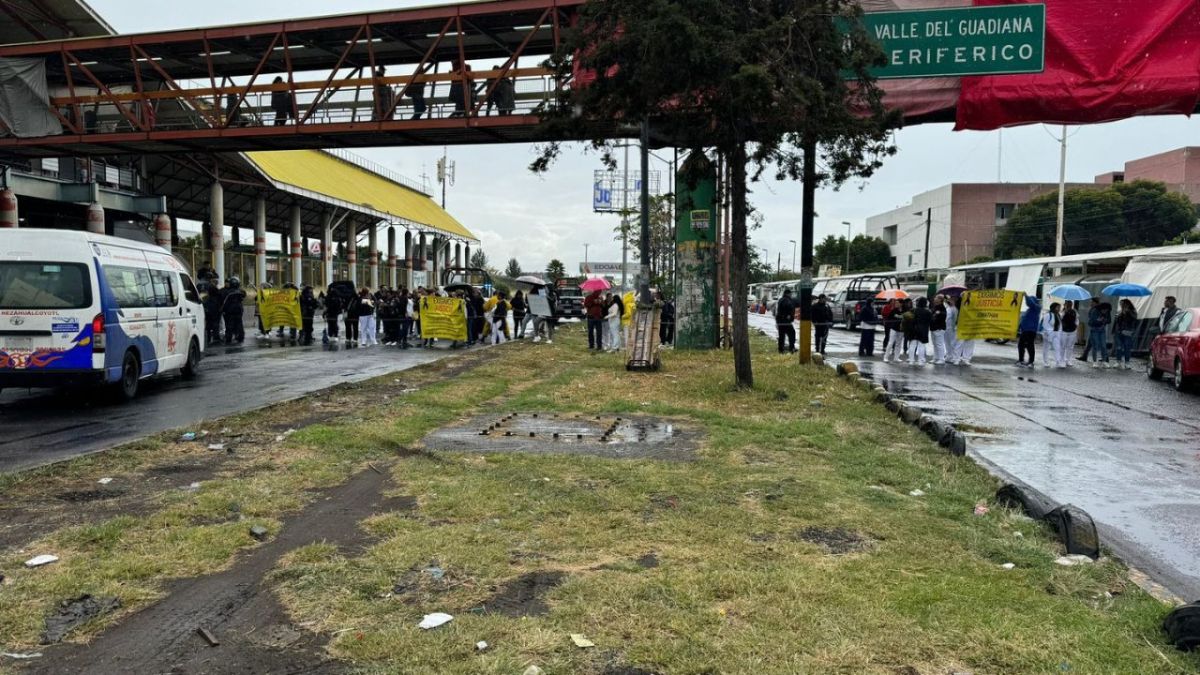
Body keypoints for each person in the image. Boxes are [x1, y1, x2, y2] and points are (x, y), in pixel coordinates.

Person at [1016, 295, 1041, 368]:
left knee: (1030, 345)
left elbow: (1031, 303)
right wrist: (1019, 326)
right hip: (1025, 330)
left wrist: (1026, 296)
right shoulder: (1029, 310)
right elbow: (1023, 319)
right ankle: (1021, 360)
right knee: (1021, 345)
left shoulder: (1036, 308)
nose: (1027, 303)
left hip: (1030, 331)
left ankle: (1031, 362)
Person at [906, 298, 931, 366]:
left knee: (912, 345)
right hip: (923, 330)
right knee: (921, 346)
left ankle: (911, 360)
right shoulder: (928, 312)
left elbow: (909, 320)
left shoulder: (913, 311)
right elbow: (930, 321)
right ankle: (920, 361)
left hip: (913, 329)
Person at [1114, 299, 1138, 370]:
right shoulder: (1120, 311)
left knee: (1127, 348)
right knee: (1119, 347)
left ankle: (1127, 362)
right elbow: (1117, 323)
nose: (1121, 305)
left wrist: (1127, 312)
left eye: (1122, 304)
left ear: (1127, 304)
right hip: (1119, 332)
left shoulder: (1132, 311)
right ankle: (1118, 361)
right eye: (1120, 304)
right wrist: (1118, 316)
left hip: (1127, 332)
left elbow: (1134, 319)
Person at [1087, 298, 1111, 368]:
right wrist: (1098, 321)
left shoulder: (1107, 311)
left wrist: (1104, 320)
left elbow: (1109, 320)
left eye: (1107, 311)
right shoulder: (1095, 311)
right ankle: (1095, 361)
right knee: (1095, 346)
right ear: (1102, 308)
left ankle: (1104, 361)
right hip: (1094, 330)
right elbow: (1090, 322)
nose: (1105, 311)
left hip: (1102, 330)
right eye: (1104, 310)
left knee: (1103, 346)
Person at [220, 277, 246, 344]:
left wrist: (223, 309)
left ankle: (229, 338)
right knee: (239, 324)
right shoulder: (240, 291)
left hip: (229, 310)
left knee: (229, 325)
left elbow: (223, 301)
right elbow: (244, 295)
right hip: (238, 310)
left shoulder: (227, 292)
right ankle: (240, 337)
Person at [953, 295, 975, 366]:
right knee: (959, 342)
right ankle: (956, 358)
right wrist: (962, 297)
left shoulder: (976, 303)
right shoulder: (961, 303)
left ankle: (966, 359)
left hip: (972, 324)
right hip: (962, 324)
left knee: (970, 343)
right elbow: (957, 304)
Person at [1040, 301, 1063, 368]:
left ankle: (1058, 362)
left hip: (1056, 333)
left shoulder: (1058, 315)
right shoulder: (1047, 315)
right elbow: (1045, 325)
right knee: (1046, 348)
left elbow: (1060, 325)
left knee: (1057, 348)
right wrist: (1050, 332)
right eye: (1058, 307)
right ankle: (1046, 362)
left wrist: (1059, 332)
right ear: (1054, 307)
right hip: (1048, 334)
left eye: (1059, 307)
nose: (1059, 309)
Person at [775, 289, 797, 354]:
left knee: (782, 335)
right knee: (792, 333)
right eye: (790, 294)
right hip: (785, 321)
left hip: (780, 320)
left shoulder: (781, 299)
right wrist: (789, 314)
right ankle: (791, 348)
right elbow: (788, 306)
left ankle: (781, 350)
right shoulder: (786, 300)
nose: (791, 295)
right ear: (788, 294)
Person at [882, 298, 904, 363]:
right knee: (890, 342)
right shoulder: (893, 310)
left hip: (901, 329)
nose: (896, 304)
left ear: (901, 304)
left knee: (899, 343)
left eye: (897, 303)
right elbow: (889, 318)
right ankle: (886, 357)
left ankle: (896, 357)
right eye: (895, 303)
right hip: (893, 328)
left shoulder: (905, 310)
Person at [930, 295, 948, 365]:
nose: (934, 299)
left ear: (940, 300)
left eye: (936, 298)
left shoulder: (942, 308)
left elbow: (943, 316)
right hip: (933, 328)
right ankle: (936, 357)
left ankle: (941, 359)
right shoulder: (935, 307)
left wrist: (937, 314)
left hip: (939, 328)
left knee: (939, 344)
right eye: (935, 298)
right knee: (935, 344)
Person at [1060, 300, 1078, 367]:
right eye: (1067, 304)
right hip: (1064, 331)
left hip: (1072, 331)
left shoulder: (1074, 312)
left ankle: (1068, 360)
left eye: (1070, 304)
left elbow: (1077, 320)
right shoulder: (1062, 312)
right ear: (1065, 305)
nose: (1069, 306)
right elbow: (1060, 319)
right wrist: (1064, 312)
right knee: (1063, 346)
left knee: (1070, 347)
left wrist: (1075, 327)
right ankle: (1062, 360)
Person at [944, 294, 960, 365]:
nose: (949, 301)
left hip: (952, 328)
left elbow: (955, 319)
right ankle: (948, 356)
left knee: (953, 343)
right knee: (947, 343)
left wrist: (954, 327)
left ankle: (954, 357)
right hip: (946, 328)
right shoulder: (947, 308)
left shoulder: (955, 309)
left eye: (951, 300)